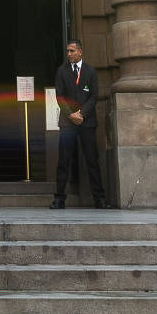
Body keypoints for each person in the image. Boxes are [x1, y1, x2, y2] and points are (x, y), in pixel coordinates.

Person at [51, 39, 106, 209]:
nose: (69, 54)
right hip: (68, 123)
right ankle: (59, 199)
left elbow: (94, 96)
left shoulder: (90, 71)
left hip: (87, 122)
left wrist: (81, 114)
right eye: (67, 51)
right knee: (63, 161)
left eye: (72, 51)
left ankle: (100, 199)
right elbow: (60, 96)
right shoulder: (62, 71)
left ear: (80, 52)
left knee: (92, 160)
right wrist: (71, 115)